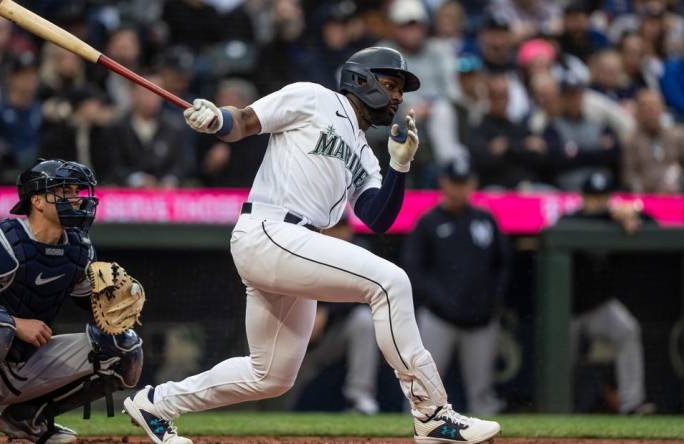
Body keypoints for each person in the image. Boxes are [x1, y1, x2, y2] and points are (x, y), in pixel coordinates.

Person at [123, 46, 500, 444]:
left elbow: (377, 217)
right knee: (390, 283)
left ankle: (156, 402)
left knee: (270, 376)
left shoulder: (366, 153)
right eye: (390, 85)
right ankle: (432, 411)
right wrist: (217, 117)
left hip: (293, 243)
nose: (396, 97)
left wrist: (399, 166)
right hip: (271, 229)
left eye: (399, 91)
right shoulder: (313, 97)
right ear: (361, 80)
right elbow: (244, 123)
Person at [0, 160, 144, 443]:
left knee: (127, 349)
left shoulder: (79, 249)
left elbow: (92, 308)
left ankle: (25, 418)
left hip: (18, 366)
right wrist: (15, 324)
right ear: (37, 200)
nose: (76, 198)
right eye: (65, 191)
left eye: (77, 190)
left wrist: (113, 301)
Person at [401, 158, 510, 415]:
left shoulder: (485, 220)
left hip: (481, 321)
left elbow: (503, 266)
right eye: (454, 183)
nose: (459, 190)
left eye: (465, 184)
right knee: (423, 392)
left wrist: (491, 303)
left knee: (482, 396)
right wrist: (439, 299)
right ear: (443, 183)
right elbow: (414, 269)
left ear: (473, 185)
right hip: (439, 319)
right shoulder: (429, 222)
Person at [555, 171, 655, 415]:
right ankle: (555, 409)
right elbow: (560, 228)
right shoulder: (571, 219)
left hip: (598, 306)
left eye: (602, 197)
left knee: (627, 329)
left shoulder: (615, 218)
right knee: (560, 360)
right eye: (592, 197)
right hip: (564, 310)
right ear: (583, 197)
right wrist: (611, 215)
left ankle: (632, 404)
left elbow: (654, 223)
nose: (597, 202)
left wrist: (632, 214)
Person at [281, 217, 381, 415]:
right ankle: (275, 412)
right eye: (333, 228)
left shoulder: (360, 252)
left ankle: (359, 398)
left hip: (337, 331)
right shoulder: (307, 251)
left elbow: (364, 294)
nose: (338, 233)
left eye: (342, 227)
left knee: (363, 320)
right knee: (281, 387)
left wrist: (327, 312)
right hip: (303, 335)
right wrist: (307, 314)